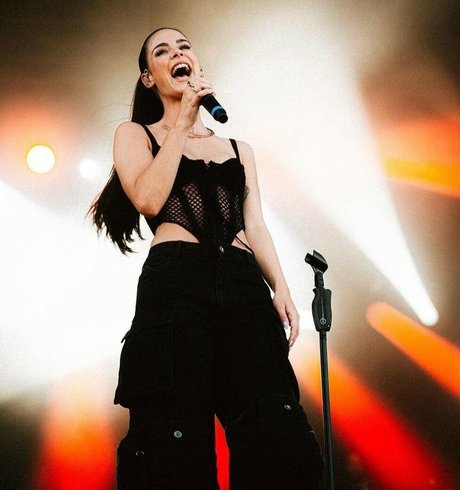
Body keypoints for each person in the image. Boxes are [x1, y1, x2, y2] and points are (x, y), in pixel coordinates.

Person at [90, 27, 324, 490]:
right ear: (149, 77)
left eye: (184, 47)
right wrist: (181, 123)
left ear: (196, 64)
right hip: (177, 281)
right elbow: (149, 199)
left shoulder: (238, 148)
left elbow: (255, 225)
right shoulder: (135, 134)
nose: (177, 54)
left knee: (274, 427)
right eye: (162, 51)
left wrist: (280, 287)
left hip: (242, 284)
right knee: (175, 434)